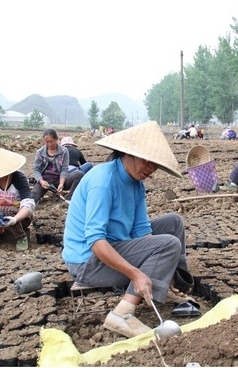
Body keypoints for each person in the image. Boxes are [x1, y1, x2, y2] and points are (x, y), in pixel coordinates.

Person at [62, 121, 195, 338]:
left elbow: (142, 230)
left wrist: (163, 268)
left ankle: (169, 285)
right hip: (87, 262)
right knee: (168, 244)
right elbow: (95, 241)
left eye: (156, 165)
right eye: (147, 161)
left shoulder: (136, 183)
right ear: (128, 154)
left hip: (116, 244)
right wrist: (136, 273)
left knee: (173, 223)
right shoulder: (102, 181)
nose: (151, 169)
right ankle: (123, 311)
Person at [32, 129, 82, 204]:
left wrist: (61, 184)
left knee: (79, 175)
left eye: (51, 141)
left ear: (56, 139)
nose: (49, 144)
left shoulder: (64, 151)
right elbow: (36, 170)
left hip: (59, 179)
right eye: (46, 142)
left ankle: (69, 199)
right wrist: (41, 181)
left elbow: (64, 169)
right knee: (32, 197)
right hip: (45, 181)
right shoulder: (40, 152)